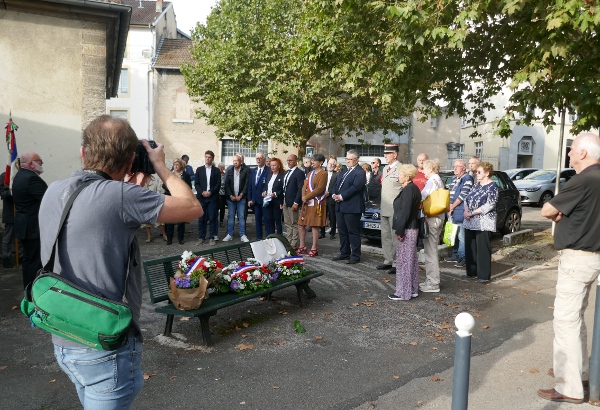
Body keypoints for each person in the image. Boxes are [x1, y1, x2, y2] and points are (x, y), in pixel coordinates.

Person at [39, 115, 202, 408]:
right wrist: (160, 165)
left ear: (83, 153)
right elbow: (192, 207)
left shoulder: (54, 190)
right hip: (104, 344)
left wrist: (130, 183)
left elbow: (102, 220)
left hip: (64, 334)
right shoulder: (122, 196)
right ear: (130, 160)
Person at [537, 133, 600, 404]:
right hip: (594, 255)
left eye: (572, 150)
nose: (569, 154)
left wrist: (559, 212)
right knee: (577, 319)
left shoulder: (584, 179)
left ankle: (569, 387)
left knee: (566, 321)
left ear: (584, 153)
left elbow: (547, 211)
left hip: (578, 257)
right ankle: (582, 374)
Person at [12, 152, 47, 288]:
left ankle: (27, 288)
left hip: (23, 225)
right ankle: (34, 291)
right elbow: (47, 199)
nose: (42, 163)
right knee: (35, 261)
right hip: (33, 227)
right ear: (32, 163)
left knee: (28, 260)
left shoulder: (19, 176)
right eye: (40, 160)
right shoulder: (31, 178)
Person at [388, 164, 421, 301]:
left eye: (400, 174)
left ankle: (403, 292)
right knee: (410, 260)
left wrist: (400, 230)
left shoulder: (409, 189)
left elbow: (405, 212)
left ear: (407, 177)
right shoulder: (413, 188)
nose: (398, 176)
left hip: (407, 228)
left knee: (404, 261)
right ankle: (412, 289)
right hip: (411, 227)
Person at [463, 161, 498, 283]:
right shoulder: (477, 185)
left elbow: (490, 204)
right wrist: (466, 211)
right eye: (476, 171)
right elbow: (467, 199)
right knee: (470, 247)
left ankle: (483, 276)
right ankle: (471, 272)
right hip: (470, 221)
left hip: (483, 222)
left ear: (487, 173)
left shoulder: (493, 186)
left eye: (479, 172)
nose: (476, 173)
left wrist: (472, 213)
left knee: (483, 248)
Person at [332, 150, 366, 264]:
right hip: (340, 206)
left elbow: (356, 188)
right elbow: (336, 184)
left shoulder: (360, 172)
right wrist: (334, 194)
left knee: (353, 231)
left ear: (357, 160)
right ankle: (344, 252)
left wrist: (341, 196)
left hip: (352, 207)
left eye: (350, 159)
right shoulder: (344, 171)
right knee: (342, 231)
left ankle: (356, 255)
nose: (347, 161)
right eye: (346, 159)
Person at [377, 144, 403, 274]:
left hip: (395, 208)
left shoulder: (402, 168)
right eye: (385, 154)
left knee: (394, 236)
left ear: (395, 154)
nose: (385, 156)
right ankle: (388, 260)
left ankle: (396, 262)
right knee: (385, 235)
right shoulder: (386, 168)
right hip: (385, 207)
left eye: (388, 154)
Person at [419, 159, 444, 293]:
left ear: (430, 168)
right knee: (432, 250)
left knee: (431, 251)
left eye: (424, 168)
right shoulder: (438, 180)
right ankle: (431, 280)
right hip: (438, 218)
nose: (423, 171)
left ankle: (433, 283)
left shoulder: (432, 181)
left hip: (433, 218)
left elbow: (422, 196)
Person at [444, 159, 474, 268]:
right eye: (454, 166)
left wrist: (452, 206)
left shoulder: (467, 179)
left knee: (462, 236)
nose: (454, 168)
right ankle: (455, 254)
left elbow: (463, 195)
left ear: (464, 168)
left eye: (457, 166)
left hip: (460, 210)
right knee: (453, 234)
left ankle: (463, 257)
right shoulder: (454, 179)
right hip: (452, 211)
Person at [298, 153, 327, 257]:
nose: (313, 162)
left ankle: (314, 248)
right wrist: (303, 197)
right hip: (307, 202)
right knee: (301, 224)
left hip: (316, 201)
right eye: (312, 160)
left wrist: (307, 197)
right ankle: (302, 246)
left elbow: (320, 189)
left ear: (321, 162)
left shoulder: (323, 174)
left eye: (315, 161)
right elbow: (304, 186)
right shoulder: (310, 173)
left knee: (314, 225)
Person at [195, 150, 221, 245]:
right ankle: (201, 237)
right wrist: (202, 192)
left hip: (212, 198)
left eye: (209, 157)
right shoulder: (199, 170)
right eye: (206, 157)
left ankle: (212, 237)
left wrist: (210, 192)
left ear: (212, 159)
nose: (207, 159)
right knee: (202, 218)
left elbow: (218, 184)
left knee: (213, 217)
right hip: (202, 198)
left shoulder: (216, 170)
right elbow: (196, 183)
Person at [164, 158, 192, 245]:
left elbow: (189, 187)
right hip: (171, 199)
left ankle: (181, 238)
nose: (176, 166)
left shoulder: (185, 175)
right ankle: (169, 239)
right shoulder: (169, 174)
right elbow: (163, 185)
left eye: (177, 164)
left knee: (180, 221)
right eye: (174, 164)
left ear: (181, 165)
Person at [223, 154, 250, 242]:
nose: (235, 162)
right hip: (231, 198)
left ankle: (242, 234)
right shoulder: (229, 170)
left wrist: (241, 195)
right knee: (230, 216)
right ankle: (229, 234)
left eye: (236, 160)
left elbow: (246, 184)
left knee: (241, 216)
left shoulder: (245, 171)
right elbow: (226, 184)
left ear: (240, 161)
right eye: (233, 160)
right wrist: (231, 195)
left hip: (241, 198)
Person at [282, 154, 304, 249]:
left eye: (291, 160)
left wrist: (296, 202)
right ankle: (288, 239)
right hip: (285, 200)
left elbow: (300, 189)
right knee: (287, 222)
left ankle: (294, 242)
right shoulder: (287, 172)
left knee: (294, 222)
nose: (289, 162)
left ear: (296, 161)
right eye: (288, 160)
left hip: (293, 201)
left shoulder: (299, 173)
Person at [248, 152, 270, 240]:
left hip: (265, 200)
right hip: (256, 200)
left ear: (264, 159)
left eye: (260, 158)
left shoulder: (268, 170)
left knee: (267, 220)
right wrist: (249, 198)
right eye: (257, 158)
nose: (259, 160)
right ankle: (259, 237)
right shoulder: (253, 170)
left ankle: (268, 237)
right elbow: (250, 185)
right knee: (258, 220)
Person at [141, 174, 168, 243]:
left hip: (155, 201)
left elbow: (160, 189)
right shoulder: (140, 179)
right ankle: (149, 237)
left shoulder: (156, 178)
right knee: (146, 220)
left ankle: (164, 235)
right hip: (145, 203)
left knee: (159, 220)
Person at [263, 157, 284, 236]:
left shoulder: (282, 175)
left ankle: (279, 237)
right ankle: (271, 237)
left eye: (274, 165)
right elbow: (265, 186)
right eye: (271, 165)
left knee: (278, 221)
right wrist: (264, 192)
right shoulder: (269, 175)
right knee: (269, 220)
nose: (273, 167)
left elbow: (282, 189)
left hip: (277, 201)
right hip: (268, 201)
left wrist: (275, 194)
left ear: (279, 166)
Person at [319, 156, 338, 240]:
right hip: (322, 197)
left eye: (333, 164)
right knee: (322, 215)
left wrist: (329, 192)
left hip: (331, 198)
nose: (331, 165)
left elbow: (336, 186)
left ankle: (332, 233)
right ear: (327, 164)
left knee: (332, 216)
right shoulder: (322, 173)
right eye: (330, 164)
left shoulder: (337, 175)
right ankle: (322, 232)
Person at [218, 162, 226, 228]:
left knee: (222, 208)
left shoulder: (225, 175)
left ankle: (221, 221)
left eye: (222, 167)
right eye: (219, 167)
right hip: (216, 194)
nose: (220, 168)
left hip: (223, 194)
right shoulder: (215, 174)